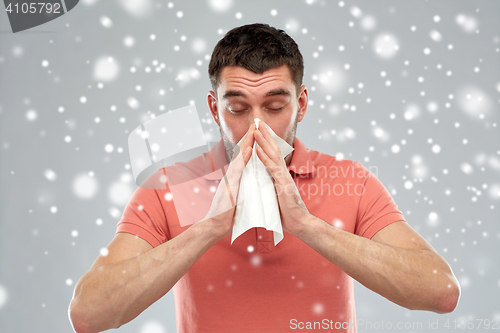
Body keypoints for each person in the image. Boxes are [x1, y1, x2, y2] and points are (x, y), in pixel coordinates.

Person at [68, 23, 460, 333]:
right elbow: (88, 315)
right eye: (238, 108)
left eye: (274, 106)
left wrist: (308, 226)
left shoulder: (350, 181)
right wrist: (207, 229)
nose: (257, 127)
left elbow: (440, 292)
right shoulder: (170, 187)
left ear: (301, 104)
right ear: (214, 108)